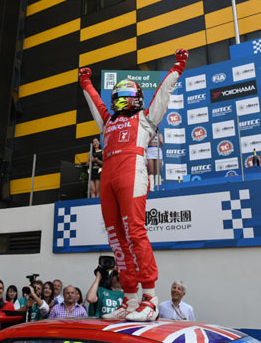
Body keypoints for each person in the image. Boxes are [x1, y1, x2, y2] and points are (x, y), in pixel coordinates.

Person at [78, 48, 189, 321]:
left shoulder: (146, 118)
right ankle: (130, 300)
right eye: (119, 97)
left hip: (132, 173)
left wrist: (177, 67)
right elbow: (96, 103)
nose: (123, 101)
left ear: (137, 99)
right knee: (116, 238)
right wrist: (86, 83)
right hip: (108, 177)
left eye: (128, 97)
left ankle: (150, 299)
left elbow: (162, 94)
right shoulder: (107, 122)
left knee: (135, 232)